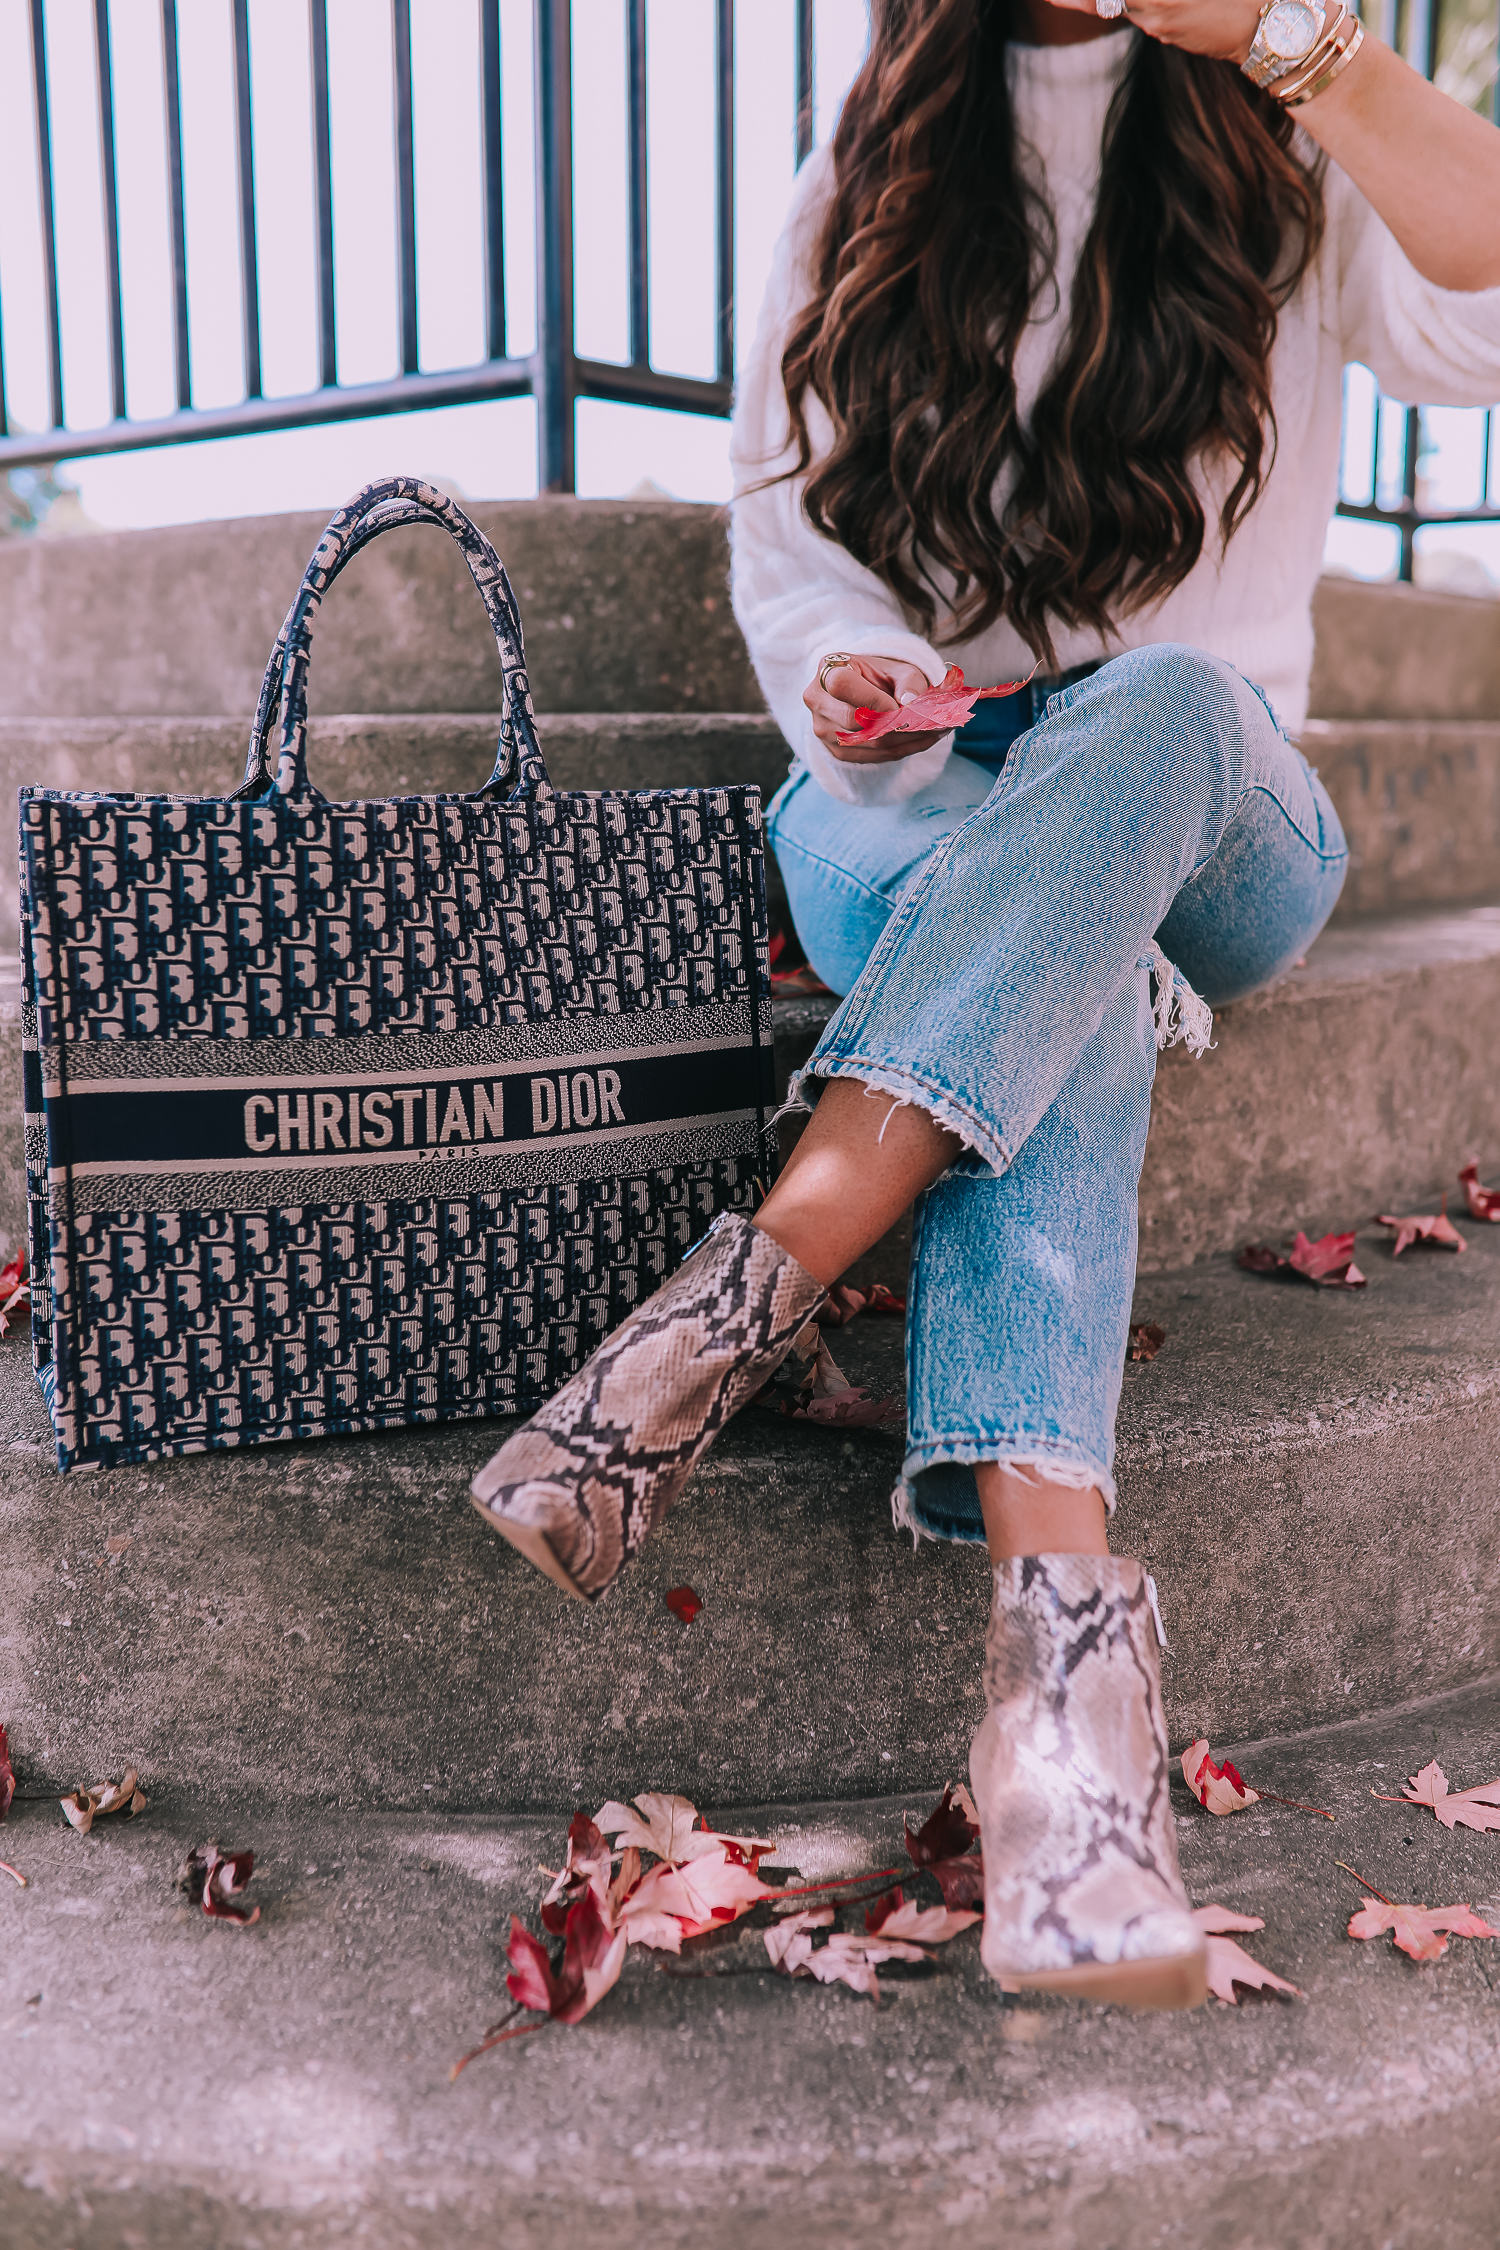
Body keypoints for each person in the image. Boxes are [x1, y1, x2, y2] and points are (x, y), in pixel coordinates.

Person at [471, 0, 1500, 2010]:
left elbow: (1481, 306)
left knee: (1164, 715)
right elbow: (790, 538)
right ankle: (1066, 1763)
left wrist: (1304, 44)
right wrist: (854, 671)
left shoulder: (1283, 127)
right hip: (915, 795)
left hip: (1214, 802)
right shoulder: (869, 162)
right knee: (1065, 958)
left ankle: (738, 1296)